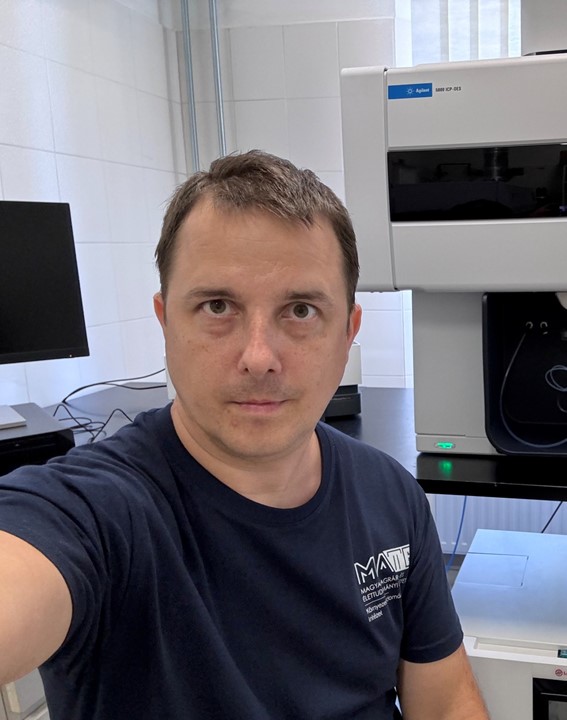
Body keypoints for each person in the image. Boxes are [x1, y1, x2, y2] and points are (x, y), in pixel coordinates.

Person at [0, 149, 489, 720]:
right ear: (165, 322)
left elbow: (446, 702)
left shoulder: (390, 494)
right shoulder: (97, 512)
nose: (259, 357)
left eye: (300, 310)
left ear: (348, 334)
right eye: (217, 306)